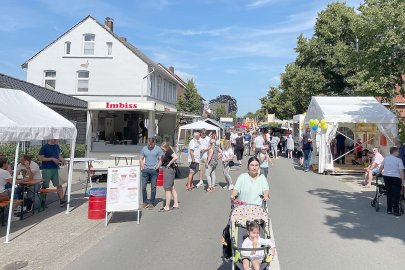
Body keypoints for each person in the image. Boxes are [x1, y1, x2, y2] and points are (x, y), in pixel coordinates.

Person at [38, 139, 66, 206]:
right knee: (45, 185)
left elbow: (58, 155)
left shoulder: (57, 146)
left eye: (56, 138)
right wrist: (52, 159)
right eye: (54, 138)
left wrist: (62, 160)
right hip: (47, 169)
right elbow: (40, 158)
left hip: (56, 168)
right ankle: (42, 201)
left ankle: (62, 200)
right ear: (50, 139)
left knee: (59, 184)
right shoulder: (44, 147)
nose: (56, 140)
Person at [379, 147, 404, 216]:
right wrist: (402, 180)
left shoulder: (386, 158)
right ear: (394, 152)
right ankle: (396, 210)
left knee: (389, 193)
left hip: (386, 177)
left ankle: (389, 209)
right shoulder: (399, 160)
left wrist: (378, 173)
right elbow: (401, 171)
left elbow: (381, 167)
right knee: (396, 194)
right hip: (396, 178)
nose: (399, 153)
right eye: (398, 152)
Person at [140, 138, 163, 209]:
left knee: (153, 187)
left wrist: (157, 167)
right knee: (143, 187)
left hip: (154, 171)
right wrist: (142, 166)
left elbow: (161, 159)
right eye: (148, 144)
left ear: (154, 143)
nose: (150, 146)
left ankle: (152, 202)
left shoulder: (158, 149)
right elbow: (141, 158)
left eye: (151, 145)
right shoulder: (144, 149)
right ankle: (145, 201)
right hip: (145, 170)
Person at [159, 142, 179, 212]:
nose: (162, 149)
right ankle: (176, 204)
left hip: (168, 170)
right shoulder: (167, 151)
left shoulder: (168, 151)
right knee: (172, 187)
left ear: (165, 147)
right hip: (170, 170)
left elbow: (176, 157)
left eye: (162, 148)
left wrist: (169, 163)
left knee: (167, 188)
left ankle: (167, 206)